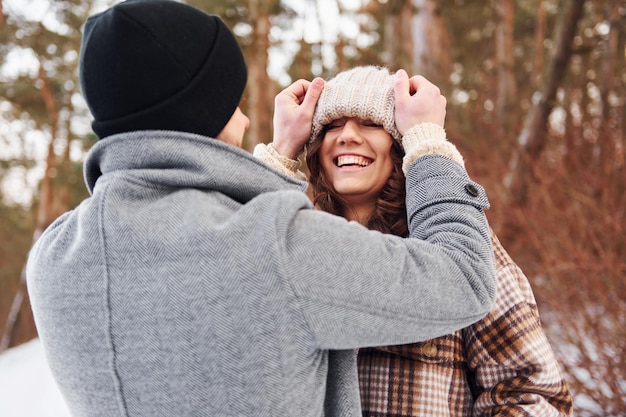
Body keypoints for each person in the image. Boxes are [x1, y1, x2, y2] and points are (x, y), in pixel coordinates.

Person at [25, 1, 497, 416]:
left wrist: (277, 160)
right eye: (231, 100)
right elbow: (464, 279)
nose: (247, 117)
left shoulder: (54, 259)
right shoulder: (274, 247)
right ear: (202, 109)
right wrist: (428, 143)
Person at [256, 66, 573, 416]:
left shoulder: (455, 244)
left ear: (400, 143)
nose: (346, 135)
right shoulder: (299, 244)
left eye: (370, 123)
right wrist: (282, 149)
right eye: (332, 125)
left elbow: (531, 393)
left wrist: (426, 137)